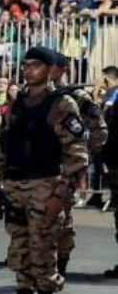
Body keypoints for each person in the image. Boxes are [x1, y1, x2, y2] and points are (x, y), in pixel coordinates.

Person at [0, 47, 89, 294]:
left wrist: (61, 195)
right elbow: (3, 144)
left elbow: (77, 155)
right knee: (19, 248)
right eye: (26, 65)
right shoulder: (19, 102)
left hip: (45, 185)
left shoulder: (61, 104)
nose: (28, 69)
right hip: (15, 185)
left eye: (35, 65)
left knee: (43, 248)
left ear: (48, 69)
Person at [48, 52, 108, 276]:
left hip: (67, 166)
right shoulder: (38, 95)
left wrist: (84, 157)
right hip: (42, 166)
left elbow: (99, 129)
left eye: (50, 66)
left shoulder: (77, 96)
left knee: (62, 218)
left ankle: (59, 265)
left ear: (61, 70)